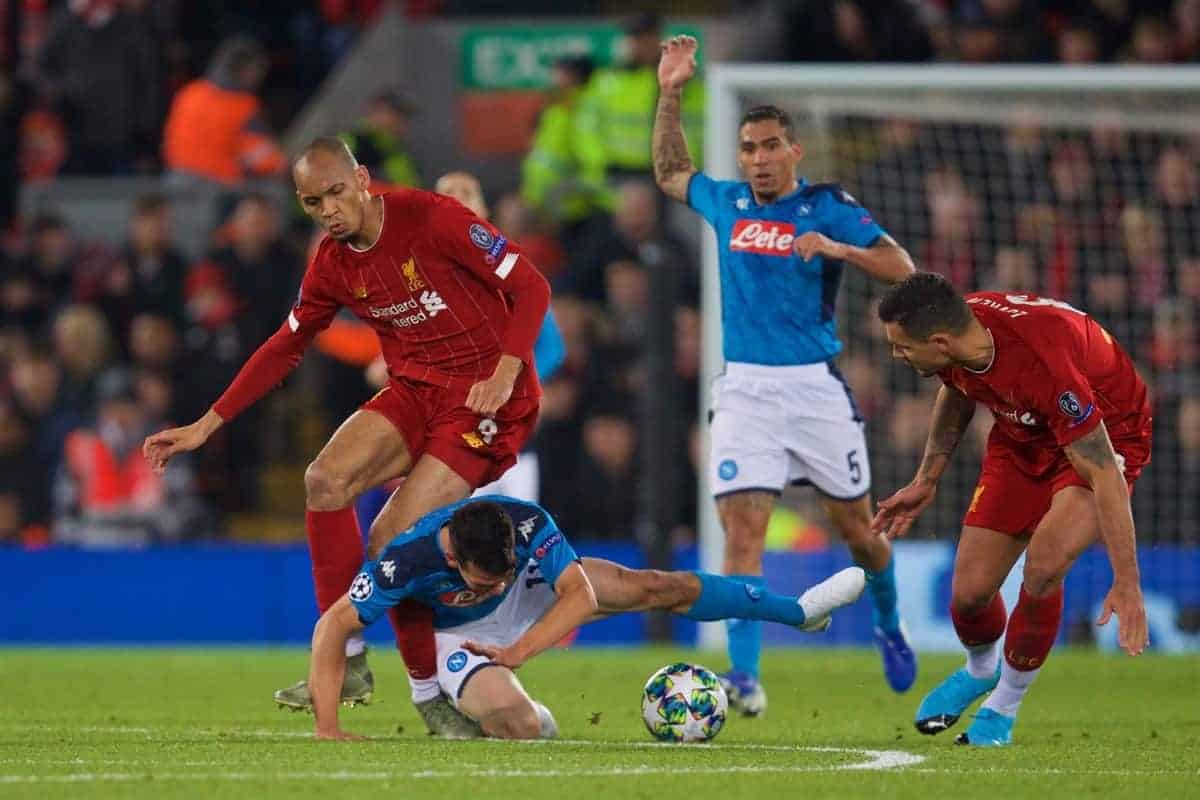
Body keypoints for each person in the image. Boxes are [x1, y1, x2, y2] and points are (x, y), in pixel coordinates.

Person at [142, 138, 551, 736]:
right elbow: (285, 345)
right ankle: (351, 661)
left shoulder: (432, 217)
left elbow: (532, 286)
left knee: (392, 535)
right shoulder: (333, 264)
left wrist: (506, 370)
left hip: (487, 398)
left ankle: (428, 692)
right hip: (417, 389)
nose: (329, 210)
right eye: (312, 202)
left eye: (336, 192)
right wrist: (207, 424)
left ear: (361, 178)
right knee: (324, 480)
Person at [652, 35, 918, 713]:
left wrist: (836, 248)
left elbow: (903, 269)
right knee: (742, 533)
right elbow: (669, 172)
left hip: (814, 388)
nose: (759, 159)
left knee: (860, 533)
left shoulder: (827, 205)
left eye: (771, 146)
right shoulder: (726, 203)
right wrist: (672, 91)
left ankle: (889, 623)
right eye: (749, 148)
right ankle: (743, 675)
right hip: (743, 389)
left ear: (794, 151)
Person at [306, 496, 867, 740]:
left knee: (656, 585)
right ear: (454, 559)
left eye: (503, 569)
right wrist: (328, 728)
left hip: (529, 605)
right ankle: (532, 711)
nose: (495, 580)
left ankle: (799, 613)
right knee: (519, 727)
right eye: (485, 577)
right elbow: (334, 626)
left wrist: (520, 648)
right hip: (459, 635)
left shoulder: (523, 523)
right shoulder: (405, 561)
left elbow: (580, 596)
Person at [873, 272, 1151, 747]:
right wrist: (927, 479)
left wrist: (1127, 584)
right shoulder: (961, 336)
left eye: (902, 347)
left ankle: (1004, 705)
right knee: (969, 594)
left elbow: (1104, 471)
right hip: (1021, 432)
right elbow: (958, 388)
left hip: (1104, 438)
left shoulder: (1044, 362)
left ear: (938, 342)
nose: (896, 355)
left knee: (1043, 567)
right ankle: (981, 669)